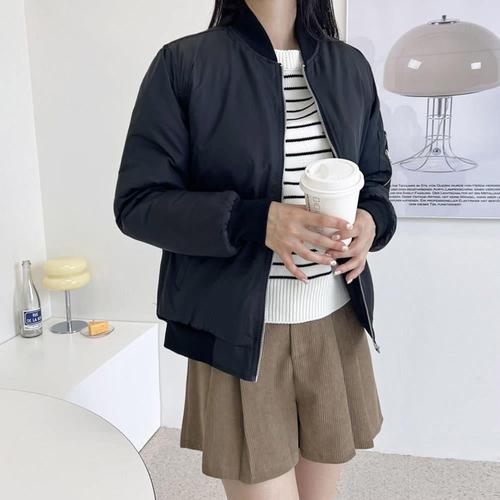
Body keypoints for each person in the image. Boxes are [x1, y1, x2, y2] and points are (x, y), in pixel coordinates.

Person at [114, 0, 397, 498]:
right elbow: (139, 204)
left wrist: (373, 221)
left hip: (335, 323)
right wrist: (256, 219)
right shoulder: (184, 64)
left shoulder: (349, 66)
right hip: (240, 333)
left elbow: (375, 180)